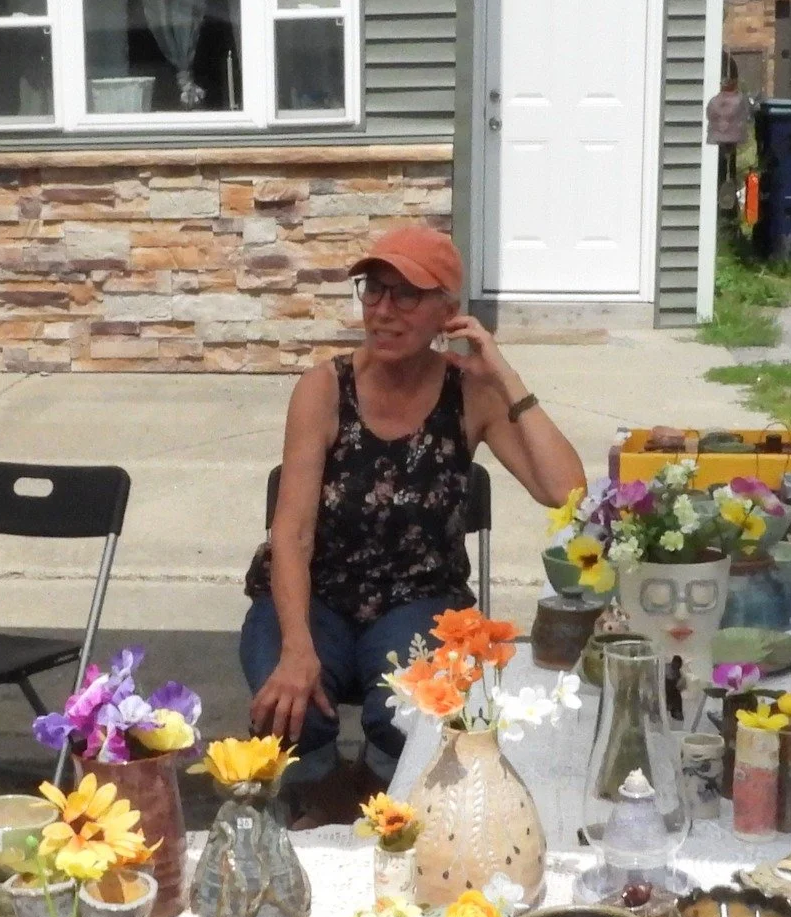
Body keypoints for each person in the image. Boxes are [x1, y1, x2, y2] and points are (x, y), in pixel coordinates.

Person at [239, 225, 586, 814]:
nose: (384, 310)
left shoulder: (469, 391)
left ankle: (394, 807)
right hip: (316, 595)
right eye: (373, 291)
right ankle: (308, 812)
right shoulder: (324, 388)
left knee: (408, 713)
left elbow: (565, 489)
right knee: (289, 707)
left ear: (447, 311)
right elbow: (291, 533)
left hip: (421, 599)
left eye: (406, 295)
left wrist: (503, 374)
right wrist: (298, 646)